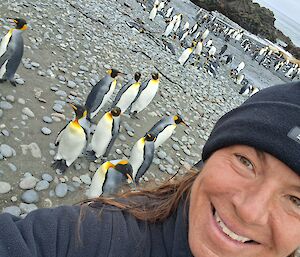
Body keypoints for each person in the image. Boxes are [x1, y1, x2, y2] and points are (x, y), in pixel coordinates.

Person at [0, 81, 300, 257]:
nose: (250, 211)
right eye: (245, 162)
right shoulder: (105, 234)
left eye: (297, 200)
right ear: (209, 157)